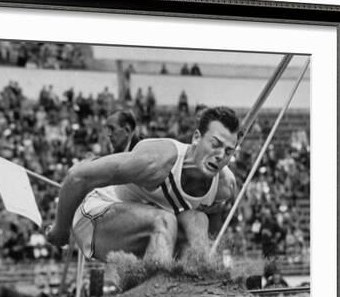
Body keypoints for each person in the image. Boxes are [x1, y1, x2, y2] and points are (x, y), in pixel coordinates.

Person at [46, 106, 239, 265]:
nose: (221, 156)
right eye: (215, 144)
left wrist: (206, 260)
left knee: (198, 221)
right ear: (197, 137)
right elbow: (76, 177)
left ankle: (190, 294)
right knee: (164, 221)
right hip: (97, 215)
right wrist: (60, 232)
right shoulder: (157, 161)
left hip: (150, 230)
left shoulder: (225, 187)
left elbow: (205, 227)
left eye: (228, 151)